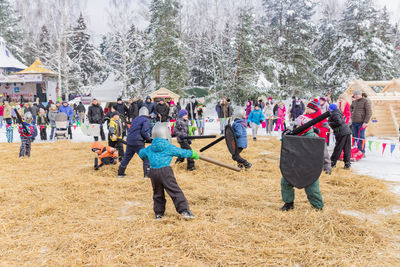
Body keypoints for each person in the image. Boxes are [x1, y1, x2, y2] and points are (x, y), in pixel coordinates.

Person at [139, 122, 199, 220]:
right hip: (165, 171)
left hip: (153, 172)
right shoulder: (168, 146)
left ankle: (159, 214)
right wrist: (192, 153)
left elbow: (142, 153)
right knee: (174, 191)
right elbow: (180, 152)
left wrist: (147, 155)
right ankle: (184, 211)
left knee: (157, 193)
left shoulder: (150, 147)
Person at [281, 115, 324, 211]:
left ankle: (318, 207)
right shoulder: (294, 135)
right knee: (285, 182)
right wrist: (285, 136)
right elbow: (285, 146)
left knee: (312, 190)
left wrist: (327, 165)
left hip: (309, 169)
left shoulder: (314, 138)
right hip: (294, 166)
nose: (295, 128)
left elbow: (322, 153)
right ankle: (288, 204)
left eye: (296, 126)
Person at [118, 107, 152, 178]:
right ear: (147, 113)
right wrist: (149, 139)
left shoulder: (135, 119)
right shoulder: (146, 120)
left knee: (126, 157)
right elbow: (144, 131)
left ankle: (120, 173)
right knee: (146, 158)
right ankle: (147, 175)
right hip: (138, 141)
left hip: (129, 140)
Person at [305, 99, 332, 174]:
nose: (307, 110)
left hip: (320, 138)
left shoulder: (321, 117)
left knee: (324, 154)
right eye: (307, 108)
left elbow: (326, 128)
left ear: (314, 109)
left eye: (309, 109)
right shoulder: (306, 116)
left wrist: (318, 130)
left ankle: (327, 169)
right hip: (309, 138)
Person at [328, 104, 352, 169]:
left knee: (338, 147)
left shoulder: (334, 113)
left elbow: (339, 122)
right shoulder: (337, 112)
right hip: (346, 131)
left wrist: (329, 123)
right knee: (347, 148)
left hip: (341, 132)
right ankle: (347, 163)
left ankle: (333, 162)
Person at [350, 90, 372, 154]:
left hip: (362, 123)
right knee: (356, 137)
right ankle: (358, 150)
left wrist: (365, 122)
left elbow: (369, 112)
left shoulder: (365, 101)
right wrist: (352, 112)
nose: (355, 96)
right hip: (354, 122)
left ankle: (362, 151)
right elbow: (350, 107)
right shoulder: (354, 101)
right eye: (355, 95)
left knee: (361, 137)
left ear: (360, 94)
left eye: (357, 94)